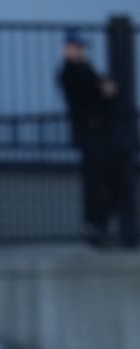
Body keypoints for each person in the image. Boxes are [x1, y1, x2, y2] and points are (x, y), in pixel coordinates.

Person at [57, 28, 130, 247]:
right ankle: (95, 227)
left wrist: (106, 88)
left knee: (116, 182)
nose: (81, 52)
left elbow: (109, 93)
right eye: (77, 48)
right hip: (89, 136)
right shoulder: (70, 73)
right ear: (68, 50)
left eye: (82, 47)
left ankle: (101, 224)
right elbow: (93, 91)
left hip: (103, 136)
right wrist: (103, 88)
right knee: (95, 183)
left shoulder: (87, 70)